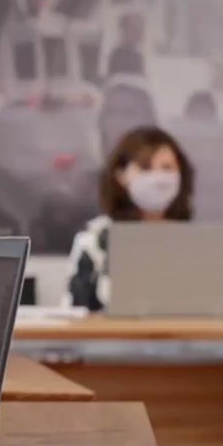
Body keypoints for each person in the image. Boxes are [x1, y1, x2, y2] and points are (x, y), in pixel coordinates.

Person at [64, 126, 195, 311]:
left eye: (166, 168)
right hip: (111, 338)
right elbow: (75, 313)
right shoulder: (94, 238)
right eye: (145, 168)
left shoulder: (194, 241)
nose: (158, 178)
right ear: (121, 176)